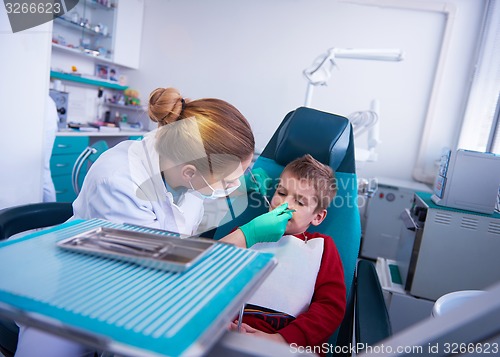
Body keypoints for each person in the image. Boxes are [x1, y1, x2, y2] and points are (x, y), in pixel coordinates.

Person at [14, 88, 293, 357]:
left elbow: (197, 208)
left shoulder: (184, 157)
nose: (236, 185)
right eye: (231, 179)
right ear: (189, 174)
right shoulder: (120, 182)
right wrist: (246, 235)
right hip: (75, 295)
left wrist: (247, 180)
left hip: (138, 290)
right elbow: (154, 276)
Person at [230, 154, 346, 354]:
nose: (285, 205)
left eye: (300, 203)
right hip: (232, 334)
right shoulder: (246, 233)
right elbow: (210, 275)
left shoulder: (322, 247)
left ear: (318, 216)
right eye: (281, 193)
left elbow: (330, 307)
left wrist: (282, 340)